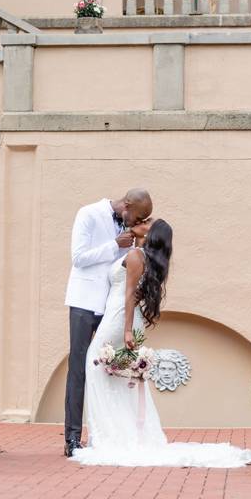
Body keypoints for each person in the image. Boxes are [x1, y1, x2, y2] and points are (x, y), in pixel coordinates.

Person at [71, 219, 251, 467]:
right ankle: (121, 434)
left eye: (148, 222)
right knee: (118, 377)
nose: (142, 222)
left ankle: (109, 437)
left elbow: (128, 294)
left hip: (120, 319)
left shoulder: (137, 256)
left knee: (96, 367)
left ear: (151, 234)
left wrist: (127, 330)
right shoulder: (139, 255)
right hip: (122, 317)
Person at [64, 189, 153, 457]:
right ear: (126, 206)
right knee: (79, 367)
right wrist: (115, 245)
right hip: (84, 301)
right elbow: (78, 258)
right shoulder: (88, 213)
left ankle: (106, 434)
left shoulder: (129, 231)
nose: (134, 223)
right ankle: (72, 438)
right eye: (136, 217)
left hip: (110, 307)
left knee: (109, 370)